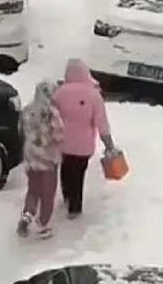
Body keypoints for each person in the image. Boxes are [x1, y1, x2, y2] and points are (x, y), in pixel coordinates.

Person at [51, 58, 114, 219]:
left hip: (63, 143)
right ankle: (75, 207)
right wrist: (108, 144)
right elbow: (101, 122)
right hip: (84, 147)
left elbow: (51, 116)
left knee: (65, 169)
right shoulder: (93, 95)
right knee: (78, 174)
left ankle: (66, 196)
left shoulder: (59, 92)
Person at [17, 80, 64, 239]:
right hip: (48, 160)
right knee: (47, 194)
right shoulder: (53, 113)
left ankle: (27, 216)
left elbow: (21, 131)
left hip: (31, 158)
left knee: (33, 190)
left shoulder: (27, 111)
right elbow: (59, 135)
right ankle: (43, 224)